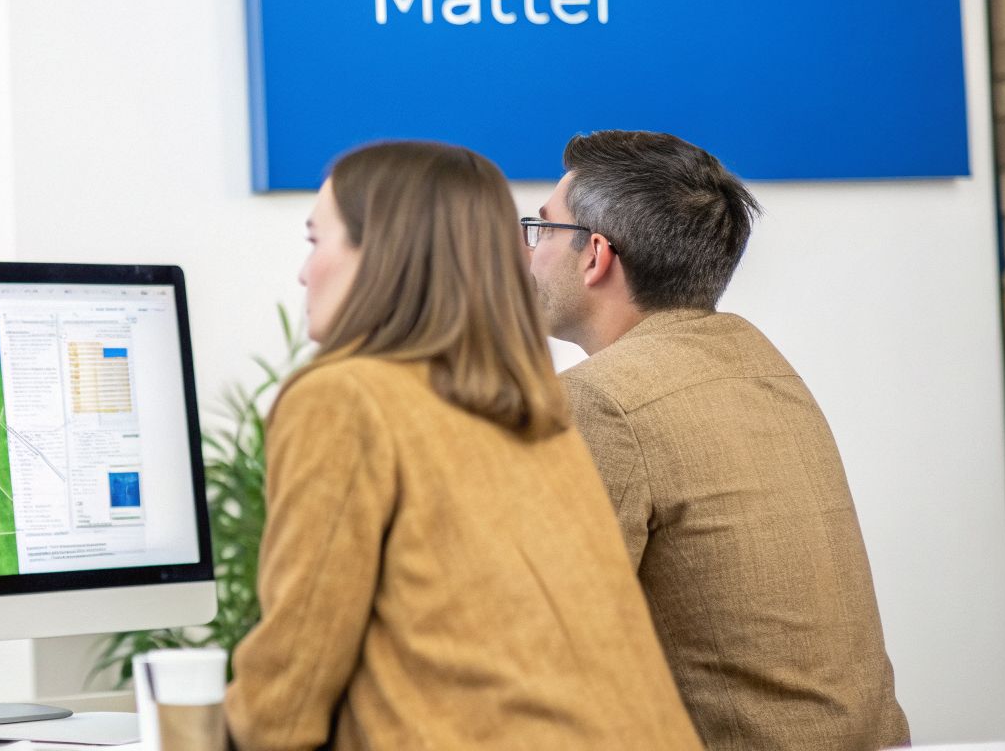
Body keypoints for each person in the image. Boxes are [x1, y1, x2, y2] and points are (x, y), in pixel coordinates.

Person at [224, 141, 702, 751]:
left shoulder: (344, 397)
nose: (302, 271)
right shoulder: (527, 405)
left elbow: (294, 679)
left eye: (317, 241)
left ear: (381, 257)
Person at [523, 129, 909, 751]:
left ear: (595, 255)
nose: (529, 253)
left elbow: (548, 642)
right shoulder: (758, 361)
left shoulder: (603, 399)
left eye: (542, 230)